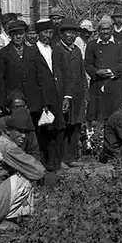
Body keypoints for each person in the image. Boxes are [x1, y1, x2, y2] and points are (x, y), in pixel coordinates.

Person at [24, 19, 66, 172]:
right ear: (38, 34)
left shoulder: (55, 49)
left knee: (56, 130)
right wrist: (42, 102)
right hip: (41, 99)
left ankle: (55, 163)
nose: (48, 36)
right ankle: (41, 164)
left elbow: (62, 73)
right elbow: (32, 79)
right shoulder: (32, 52)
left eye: (50, 32)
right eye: (44, 33)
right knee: (42, 132)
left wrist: (65, 96)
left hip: (56, 97)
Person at [53, 18, 87, 168]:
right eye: (67, 33)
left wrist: (86, 95)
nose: (70, 36)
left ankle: (71, 157)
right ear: (61, 34)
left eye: (73, 33)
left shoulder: (77, 50)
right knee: (63, 127)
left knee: (75, 126)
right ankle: (59, 158)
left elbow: (81, 73)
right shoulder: (57, 50)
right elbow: (58, 74)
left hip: (78, 94)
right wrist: (64, 96)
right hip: (63, 95)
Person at [85, 16, 122, 124]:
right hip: (97, 85)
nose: (105, 32)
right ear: (99, 30)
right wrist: (96, 72)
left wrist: (111, 71)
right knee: (98, 117)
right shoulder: (92, 45)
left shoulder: (120, 45)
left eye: (108, 29)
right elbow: (87, 64)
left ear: (112, 30)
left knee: (114, 115)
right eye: (103, 29)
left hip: (115, 84)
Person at [0, 93, 41, 161]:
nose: (19, 110)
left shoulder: (28, 122)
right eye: (16, 107)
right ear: (8, 109)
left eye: (22, 107)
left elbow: (34, 151)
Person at [0, 20, 28, 111]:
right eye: (15, 34)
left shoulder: (33, 52)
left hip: (31, 98)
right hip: (12, 100)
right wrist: (0, 102)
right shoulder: (3, 53)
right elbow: (0, 79)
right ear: (10, 35)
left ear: (25, 34)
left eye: (21, 33)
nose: (18, 36)